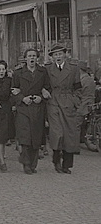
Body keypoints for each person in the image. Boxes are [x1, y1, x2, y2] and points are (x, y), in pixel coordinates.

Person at [11, 49, 51, 174]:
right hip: (23, 108)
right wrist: (22, 98)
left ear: (37, 58)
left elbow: (47, 87)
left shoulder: (43, 72)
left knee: (36, 136)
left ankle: (33, 164)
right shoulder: (18, 73)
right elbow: (13, 91)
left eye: (34, 56)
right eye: (29, 56)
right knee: (25, 136)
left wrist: (41, 96)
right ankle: (26, 163)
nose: (32, 58)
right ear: (25, 58)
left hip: (38, 108)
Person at [46, 44, 81, 174]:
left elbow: (78, 88)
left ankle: (67, 164)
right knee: (57, 132)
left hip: (68, 102)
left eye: (60, 54)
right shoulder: (48, 69)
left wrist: (75, 101)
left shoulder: (73, 69)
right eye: (55, 55)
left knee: (69, 134)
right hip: (54, 101)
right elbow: (45, 84)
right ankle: (56, 160)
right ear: (52, 57)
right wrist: (45, 92)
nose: (58, 57)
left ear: (65, 54)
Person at [76, 60, 96, 145]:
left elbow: (79, 93)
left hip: (83, 104)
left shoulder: (82, 80)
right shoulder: (90, 79)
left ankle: (75, 144)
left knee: (76, 123)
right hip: (91, 103)